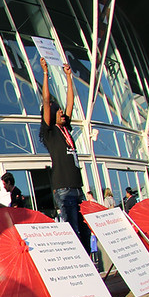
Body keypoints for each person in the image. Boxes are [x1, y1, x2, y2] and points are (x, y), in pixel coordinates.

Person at [39, 57, 90, 251]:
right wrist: (45, 73)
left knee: (85, 231)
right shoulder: (51, 132)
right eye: (58, 111)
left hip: (78, 188)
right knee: (73, 231)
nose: (62, 112)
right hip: (64, 189)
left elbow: (71, 102)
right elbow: (45, 100)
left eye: (61, 111)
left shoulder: (66, 128)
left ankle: (89, 268)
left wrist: (69, 77)